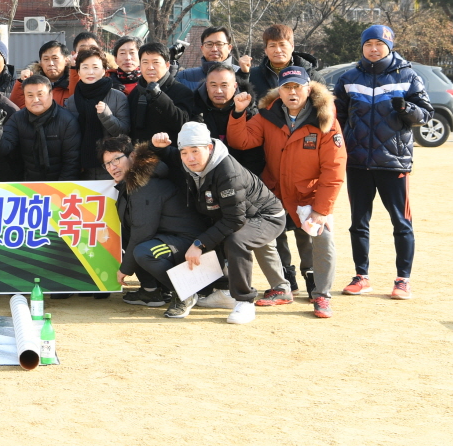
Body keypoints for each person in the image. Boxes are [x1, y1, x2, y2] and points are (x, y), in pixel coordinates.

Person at [227, 66, 347, 319]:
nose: (292, 92)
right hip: (274, 193)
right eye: (287, 87)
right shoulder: (267, 115)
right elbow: (242, 141)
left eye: (297, 87)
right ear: (279, 91)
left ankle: (322, 295)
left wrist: (321, 210)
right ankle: (280, 288)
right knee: (257, 235)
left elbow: (334, 170)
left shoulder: (326, 120)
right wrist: (238, 113)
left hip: (311, 195)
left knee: (323, 238)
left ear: (308, 88)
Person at [332, 24, 433, 300]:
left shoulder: (408, 76)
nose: (374, 49)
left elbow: (426, 114)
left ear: (389, 46)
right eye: (368, 44)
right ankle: (361, 276)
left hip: (394, 163)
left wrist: (406, 108)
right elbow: (337, 118)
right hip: (357, 162)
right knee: (358, 222)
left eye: (379, 44)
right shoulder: (348, 77)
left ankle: (403, 280)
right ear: (362, 47)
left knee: (401, 222)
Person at [151, 122, 287, 324]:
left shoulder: (227, 172)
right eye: (184, 152)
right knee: (211, 235)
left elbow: (235, 220)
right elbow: (169, 155)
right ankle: (225, 292)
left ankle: (244, 301)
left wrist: (199, 244)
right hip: (232, 216)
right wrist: (155, 145)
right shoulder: (189, 161)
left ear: (210, 148)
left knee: (234, 240)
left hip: (266, 216)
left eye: (195, 151)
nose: (190, 158)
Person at [105, 136, 207, 311]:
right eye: (107, 163)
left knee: (143, 252)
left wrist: (125, 269)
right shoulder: (130, 184)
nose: (112, 166)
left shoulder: (145, 184)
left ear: (131, 157)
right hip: (167, 237)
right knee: (128, 238)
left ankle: (185, 291)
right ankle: (151, 291)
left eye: (116, 159)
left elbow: (142, 232)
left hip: (188, 242)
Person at [0, 74, 82, 181]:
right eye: (30, 95)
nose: (35, 99)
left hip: (60, 186)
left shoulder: (67, 120)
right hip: (28, 185)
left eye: (40, 94)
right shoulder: (18, 118)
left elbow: (72, 163)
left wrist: (60, 191)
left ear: (51, 94)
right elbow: (2, 149)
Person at [63, 48, 130, 180]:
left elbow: (124, 132)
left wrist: (106, 116)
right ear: (78, 71)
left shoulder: (118, 97)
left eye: (95, 67)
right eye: (85, 67)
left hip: (112, 168)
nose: (90, 72)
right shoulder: (72, 101)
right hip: (83, 169)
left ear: (104, 70)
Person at [127, 42, 195, 143]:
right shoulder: (135, 93)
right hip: (138, 155)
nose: (150, 67)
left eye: (156, 62)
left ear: (167, 65)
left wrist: (159, 96)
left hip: (167, 154)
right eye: (145, 62)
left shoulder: (182, 92)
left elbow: (182, 124)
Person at [248, 23, 322, 94]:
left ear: (292, 47)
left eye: (282, 45)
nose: (278, 50)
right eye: (272, 46)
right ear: (265, 50)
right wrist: (243, 73)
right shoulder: (253, 76)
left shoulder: (310, 75)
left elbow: (325, 104)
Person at [177, 26, 253, 86]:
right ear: (202, 48)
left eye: (219, 44)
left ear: (229, 48)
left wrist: (244, 75)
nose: (214, 49)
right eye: (209, 44)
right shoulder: (185, 77)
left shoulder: (243, 74)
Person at [9, 40, 73, 108]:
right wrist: (21, 82)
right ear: (41, 63)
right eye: (46, 59)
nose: (50, 63)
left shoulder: (74, 83)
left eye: (55, 58)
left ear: (66, 61)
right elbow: (16, 107)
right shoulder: (31, 83)